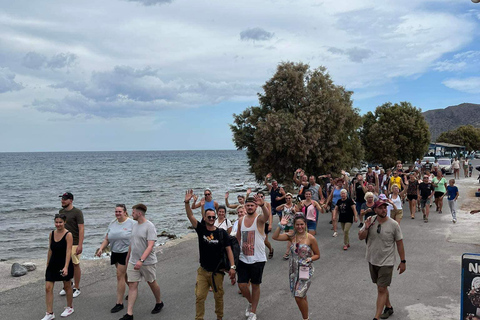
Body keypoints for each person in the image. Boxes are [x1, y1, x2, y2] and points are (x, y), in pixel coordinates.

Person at [184, 190, 236, 320]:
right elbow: (190, 216)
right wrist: (187, 202)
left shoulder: (221, 233)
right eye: (209, 217)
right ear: (205, 218)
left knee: (218, 297)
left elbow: (229, 250)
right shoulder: (201, 229)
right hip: (203, 271)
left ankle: (219, 317)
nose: (212, 219)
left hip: (217, 272)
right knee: (200, 297)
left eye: (214, 217)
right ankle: (199, 318)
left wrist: (233, 267)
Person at [358, 200, 406, 320]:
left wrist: (403, 261)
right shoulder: (370, 221)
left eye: (385, 207)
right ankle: (388, 307)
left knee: (381, 288)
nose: (384, 210)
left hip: (387, 261)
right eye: (380, 208)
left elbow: (400, 243)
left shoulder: (394, 224)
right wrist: (367, 228)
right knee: (381, 286)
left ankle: (376, 317)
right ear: (375, 210)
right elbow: (360, 237)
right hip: (372, 259)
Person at [272, 215, 320, 320]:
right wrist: (280, 225)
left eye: (302, 224)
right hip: (293, 270)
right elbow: (275, 237)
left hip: (305, 270)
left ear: (305, 225)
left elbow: (317, 255)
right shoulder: (291, 236)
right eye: (297, 224)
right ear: (294, 225)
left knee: (298, 296)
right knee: (301, 295)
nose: (300, 227)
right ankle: (306, 316)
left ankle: (305, 318)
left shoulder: (310, 238)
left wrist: (310, 259)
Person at [120, 204, 163, 320]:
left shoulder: (150, 227)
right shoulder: (134, 226)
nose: (132, 214)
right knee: (133, 285)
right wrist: (128, 257)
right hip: (133, 261)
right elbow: (132, 243)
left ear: (139, 213)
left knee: (151, 282)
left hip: (147, 262)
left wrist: (141, 260)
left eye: (133, 212)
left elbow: (150, 246)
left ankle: (159, 302)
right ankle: (129, 314)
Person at [96, 204, 135, 313]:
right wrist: (101, 249)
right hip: (115, 252)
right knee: (124, 275)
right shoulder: (113, 223)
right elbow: (107, 238)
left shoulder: (132, 223)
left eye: (119, 211)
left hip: (126, 252)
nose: (117, 213)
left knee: (119, 275)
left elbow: (139, 235)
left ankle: (119, 303)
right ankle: (133, 290)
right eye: (116, 211)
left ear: (125, 212)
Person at [236, 195, 270, 320]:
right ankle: (251, 303)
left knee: (255, 285)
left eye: (252, 205)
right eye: (248, 205)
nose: (250, 207)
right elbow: (238, 238)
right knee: (242, 285)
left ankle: (253, 312)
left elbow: (266, 216)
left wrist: (262, 205)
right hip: (243, 258)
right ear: (245, 207)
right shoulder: (241, 220)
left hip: (258, 259)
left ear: (255, 207)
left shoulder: (259, 219)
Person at [42, 214, 74, 320]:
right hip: (53, 263)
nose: (58, 224)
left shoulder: (68, 235)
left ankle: (69, 307)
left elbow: (68, 251)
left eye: (60, 222)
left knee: (67, 286)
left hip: (64, 263)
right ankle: (49, 313)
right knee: (48, 288)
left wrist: (65, 267)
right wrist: (47, 264)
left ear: (64, 222)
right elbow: (50, 249)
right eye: (56, 222)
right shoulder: (51, 233)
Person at [58, 192, 84, 298]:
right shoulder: (61, 211)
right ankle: (67, 285)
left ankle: (77, 288)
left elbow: (81, 228)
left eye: (65, 199)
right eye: (62, 199)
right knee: (64, 265)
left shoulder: (77, 212)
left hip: (75, 242)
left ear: (71, 200)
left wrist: (80, 245)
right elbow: (59, 227)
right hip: (63, 242)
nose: (62, 200)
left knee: (75, 264)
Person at [276, 193, 296, 259]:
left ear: (292, 199)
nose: (288, 199)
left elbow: (298, 212)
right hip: (285, 223)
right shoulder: (284, 206)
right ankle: (294, 247)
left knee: (290, 237)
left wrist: (294, 211)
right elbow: (277, 209)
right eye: (286, 198)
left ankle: (287, 252)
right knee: (289, 238)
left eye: (289, 198)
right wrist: (283, 204)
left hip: (292, 223)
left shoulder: (294, 205)